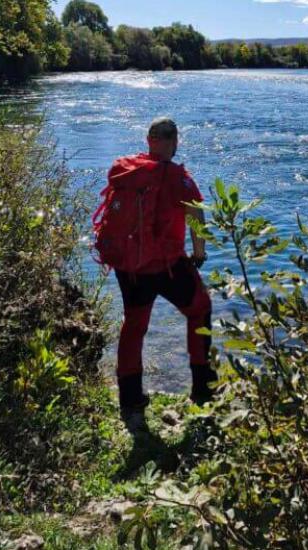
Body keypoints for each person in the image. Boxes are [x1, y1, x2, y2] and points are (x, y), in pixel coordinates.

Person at [98, 117, 217, 421]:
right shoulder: (179, 177)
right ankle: (203, 388)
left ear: (149, 140)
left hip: (128, 265)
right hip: (166, 265)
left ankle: (130, 398)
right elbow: (196, 216)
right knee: (200, 308)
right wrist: (199, 252)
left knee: (134, 325)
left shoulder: (128, 170)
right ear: (173, 141)